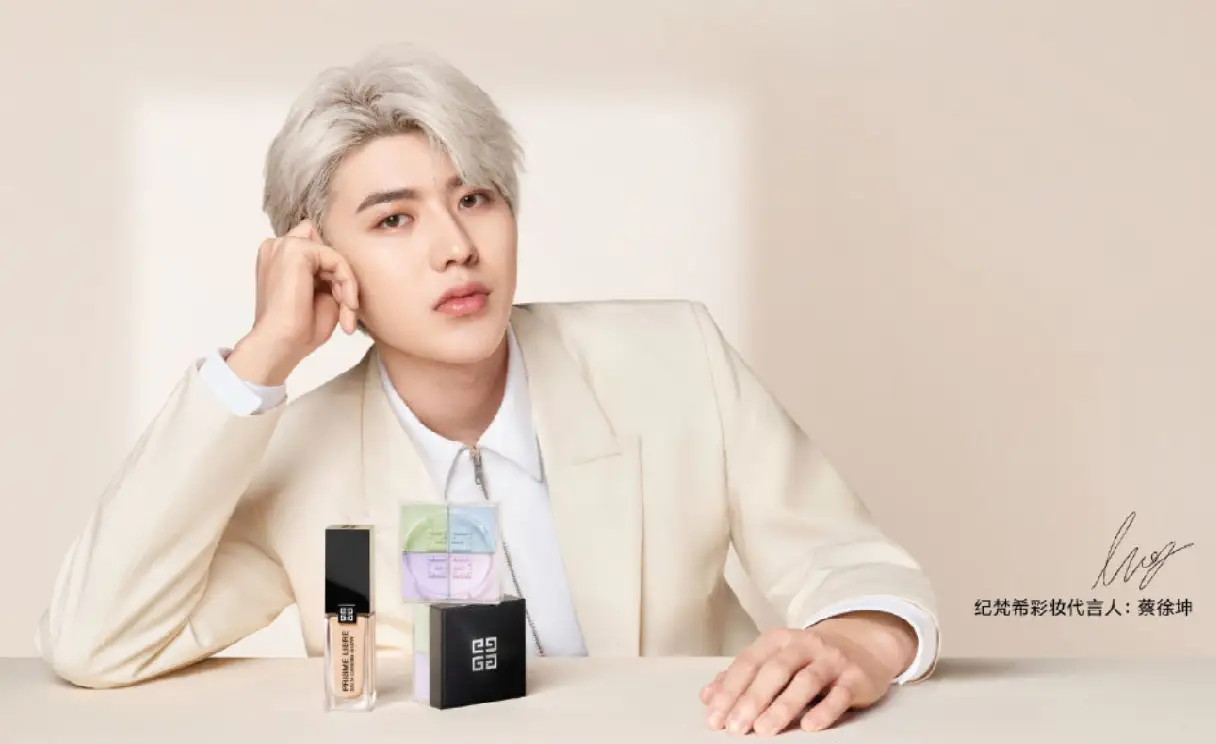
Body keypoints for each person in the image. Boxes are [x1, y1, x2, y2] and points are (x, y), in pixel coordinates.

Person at [37, 43, 939, 734]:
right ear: (319, 258)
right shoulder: (300, 461)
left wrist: (857, 641)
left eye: (474, 198)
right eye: (394, 219)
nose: (456, 248)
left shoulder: (673, 356)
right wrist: (260, 356)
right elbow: (96, 642)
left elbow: (855, 565)